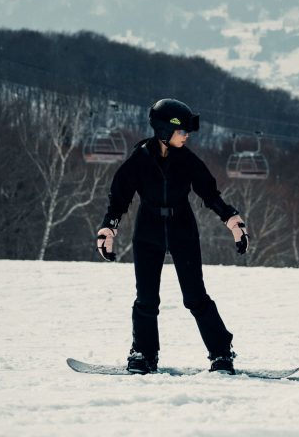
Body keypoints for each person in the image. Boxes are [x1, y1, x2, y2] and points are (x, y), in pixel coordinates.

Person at [95, 98, 250, 375]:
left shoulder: (188, 160)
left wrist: (232, 220)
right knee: (146, 299)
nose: (186, 136)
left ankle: (221, 355)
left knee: (195, 297)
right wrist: (109, 228)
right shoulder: (139, 160)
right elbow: (119, 199)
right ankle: (143, 354)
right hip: (148, 231)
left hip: (182, 230)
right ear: (164, 131)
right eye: (182, 131)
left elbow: (210, 194)